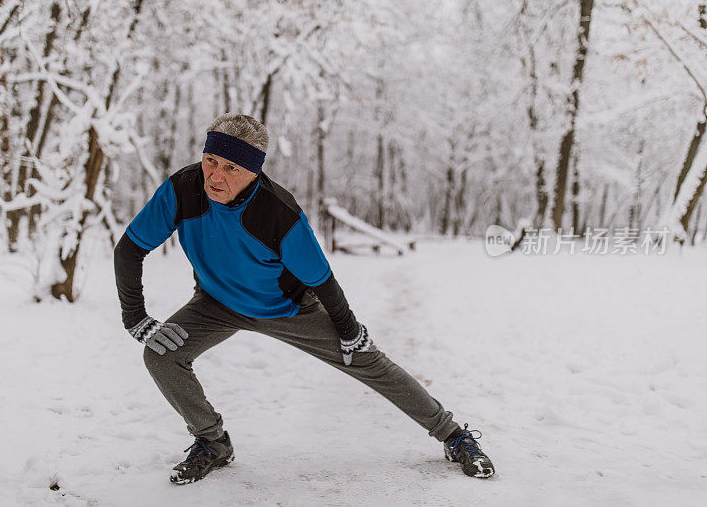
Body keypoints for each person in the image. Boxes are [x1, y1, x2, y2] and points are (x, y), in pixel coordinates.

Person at [113, 113, 495, 484]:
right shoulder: (182, 189)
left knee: (368, 361)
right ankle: (212, 443)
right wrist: (136, 318)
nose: (214, 176)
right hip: (216, 302)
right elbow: (129, 248)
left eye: (230, 168)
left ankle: (454, 436)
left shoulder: (278, 212)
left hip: (288, 307)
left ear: (253, 171)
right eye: (211, 161)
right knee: (161, 354)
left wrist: (348, 329)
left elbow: (323, 279)